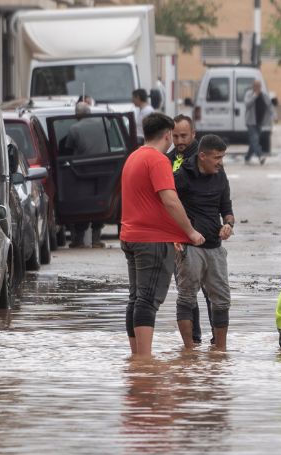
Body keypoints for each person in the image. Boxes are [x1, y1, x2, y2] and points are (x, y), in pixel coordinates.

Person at [119, 112, 206, 358]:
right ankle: (145, 361)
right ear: (167, 134)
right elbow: (169, 200)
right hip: (151, 241)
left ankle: (136, 358)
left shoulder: (133, 157)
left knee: (135, 299)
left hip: (130, 237)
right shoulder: (158, 160)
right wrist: (189, 231)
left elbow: (146, 202)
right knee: (147, 300)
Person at [173, 134, 234, 350]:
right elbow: (167, 207)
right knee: (187, 298)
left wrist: (228, 225)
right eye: (217, 157)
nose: (220, 162)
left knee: (222, 300)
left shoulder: (220, 174)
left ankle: (221, 350)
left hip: (215, 247)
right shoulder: (182, 176)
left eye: (222, 157)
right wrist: (174, 237)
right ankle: (189, 351)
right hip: (190, 248)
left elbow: (227, 209)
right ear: (202, 156)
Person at [58, 100, 113, 247]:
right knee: (101, 201)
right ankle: (96, 239)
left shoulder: (74, 128)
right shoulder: (104, 122)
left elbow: (68, 149)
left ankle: (79, 240)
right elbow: (110, 126)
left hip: (83, 170)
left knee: (84, 203)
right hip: (105, 168)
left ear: (76, 115)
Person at [244, 80, 270, 165]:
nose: (258, 88)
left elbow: (269, 105)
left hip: (259, 122)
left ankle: (247, 157)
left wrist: (274, 116)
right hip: (251, 122)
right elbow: (247, 104)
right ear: (253, 86)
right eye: (256, 86)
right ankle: (260, 156)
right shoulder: (249, 94)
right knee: (255, 140)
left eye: (259, 86)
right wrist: (255, 95)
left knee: (254, 141)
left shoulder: (263, 95)